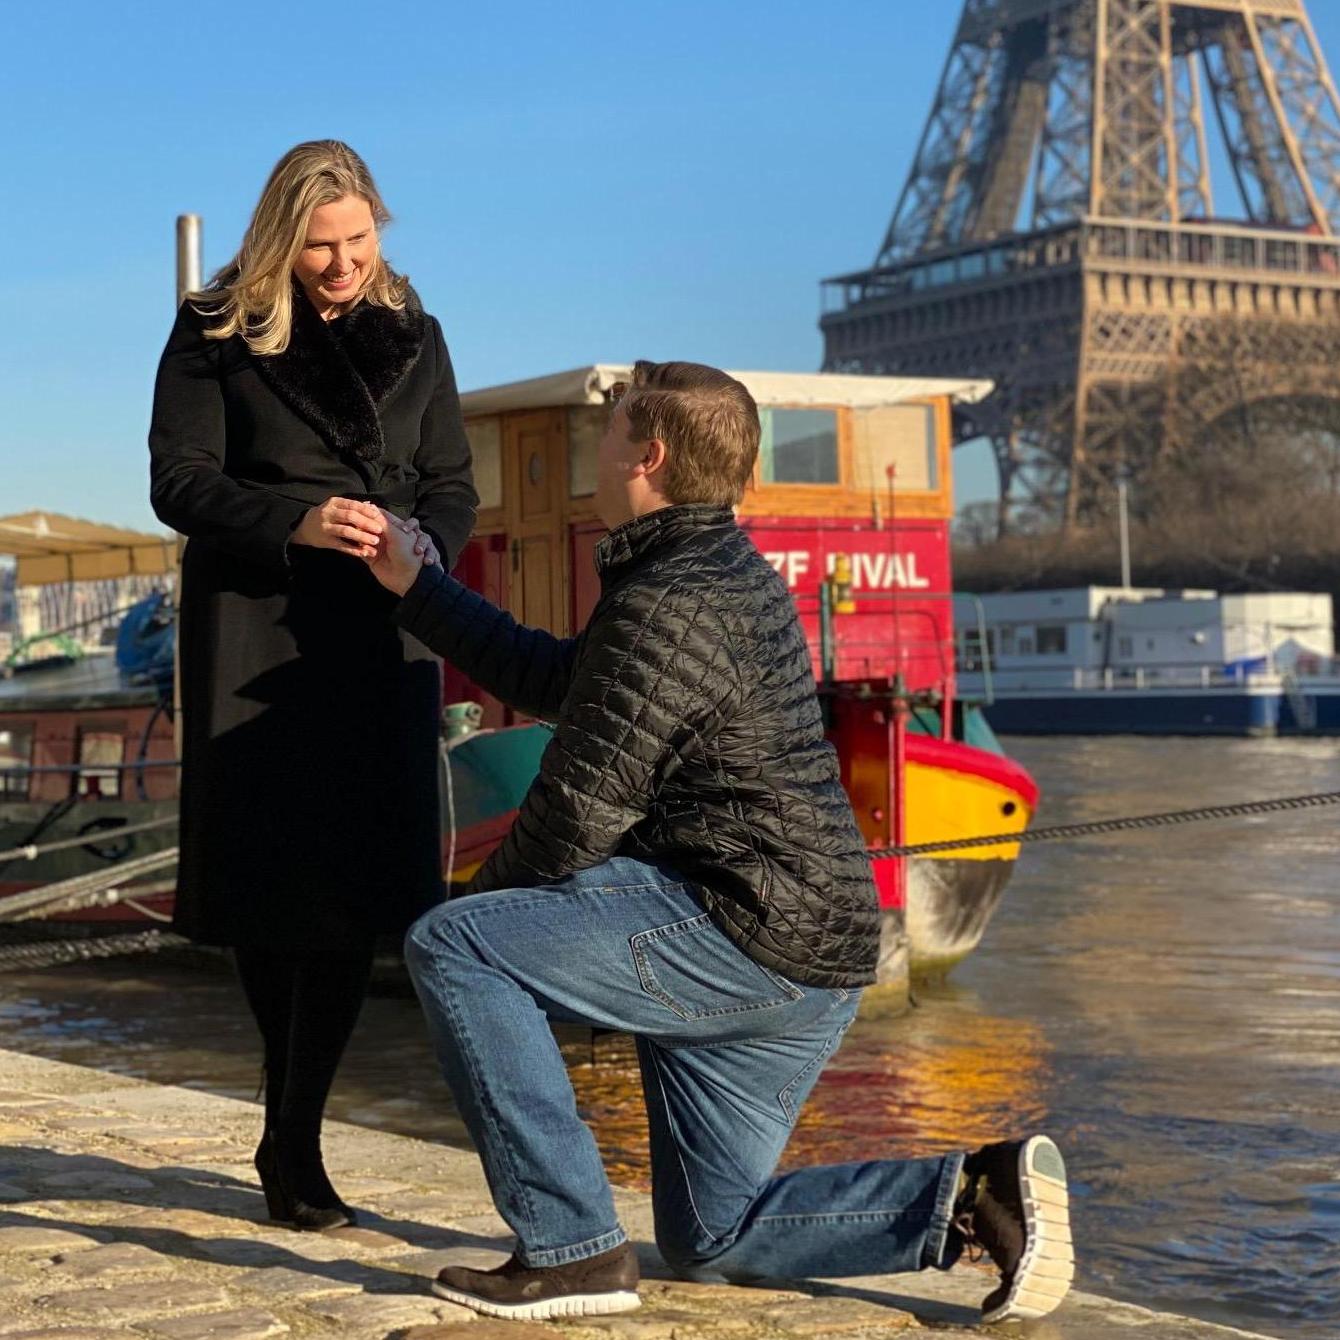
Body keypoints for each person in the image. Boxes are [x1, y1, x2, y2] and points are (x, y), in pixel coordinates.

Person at [366, 361, 1073, 1323]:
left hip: (734, 931)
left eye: (605, 437)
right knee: (712, 1237)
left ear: (647, 456)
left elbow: (577, 811)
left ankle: (571, 1253)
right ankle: (972, 1195)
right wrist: (421, 584)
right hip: (812, 959)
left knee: (453, 946)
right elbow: (558, 679)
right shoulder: (697, 575)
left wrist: (486, 917)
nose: (597, 456)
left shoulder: (671, 598)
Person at [148, 140, 477, 1231]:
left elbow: (451, 484)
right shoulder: (213, 331)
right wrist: (291, 518)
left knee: (355, 895)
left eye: (357, 241)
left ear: (380, 222)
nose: (339, 265)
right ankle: (290, 1140)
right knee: (268, 883)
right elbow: (179, 479)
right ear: (278, 240)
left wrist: (421, 544)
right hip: (254, 623)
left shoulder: (419, 337)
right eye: (317, 246)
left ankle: (291, 1136)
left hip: (381, 631)